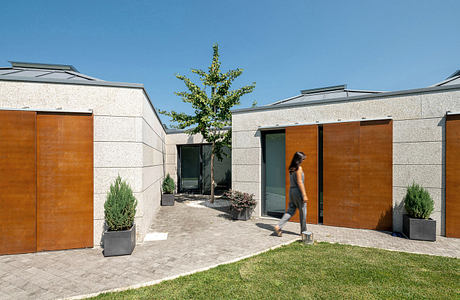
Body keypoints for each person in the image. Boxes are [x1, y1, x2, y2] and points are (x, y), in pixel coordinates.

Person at [274, 151, 308, 237]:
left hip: (291, 191)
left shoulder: (291, 168)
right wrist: (304, 195)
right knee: (303, 211)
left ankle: (278, 226)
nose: (303, 161)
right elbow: (300, 182)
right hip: (298, 191)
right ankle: (303, 232)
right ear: (299, 159)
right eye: (303, 159)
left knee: (290, 210)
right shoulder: (298, 168)